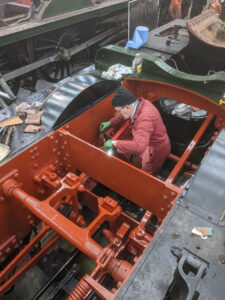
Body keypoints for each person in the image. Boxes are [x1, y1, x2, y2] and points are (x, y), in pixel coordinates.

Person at [100, 87, 171, 176]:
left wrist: (114, 143)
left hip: (155, 151)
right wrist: (110, 122)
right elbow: (125, 114)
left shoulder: (145, 119)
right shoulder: (138, 104)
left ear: (127, 107)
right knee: (137, 164)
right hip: (146, 143)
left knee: (146, 175)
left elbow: (139, 147)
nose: (118, 114)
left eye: (118, 111)